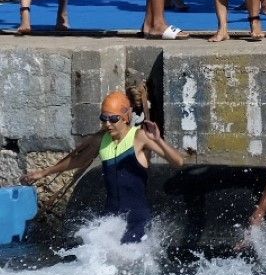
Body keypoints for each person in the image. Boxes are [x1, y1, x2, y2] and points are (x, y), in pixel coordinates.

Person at [21, 91, 190, 244]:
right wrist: (44, 172)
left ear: (125, 117)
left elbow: (178, 162)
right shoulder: (101, 140)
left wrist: (158, 140)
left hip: (136, 219)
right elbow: (78, 161)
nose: (108, 124)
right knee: (93, 256)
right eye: (104, 119)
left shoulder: (139, 137)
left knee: (128, 261)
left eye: (113, 119)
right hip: (110, 218)